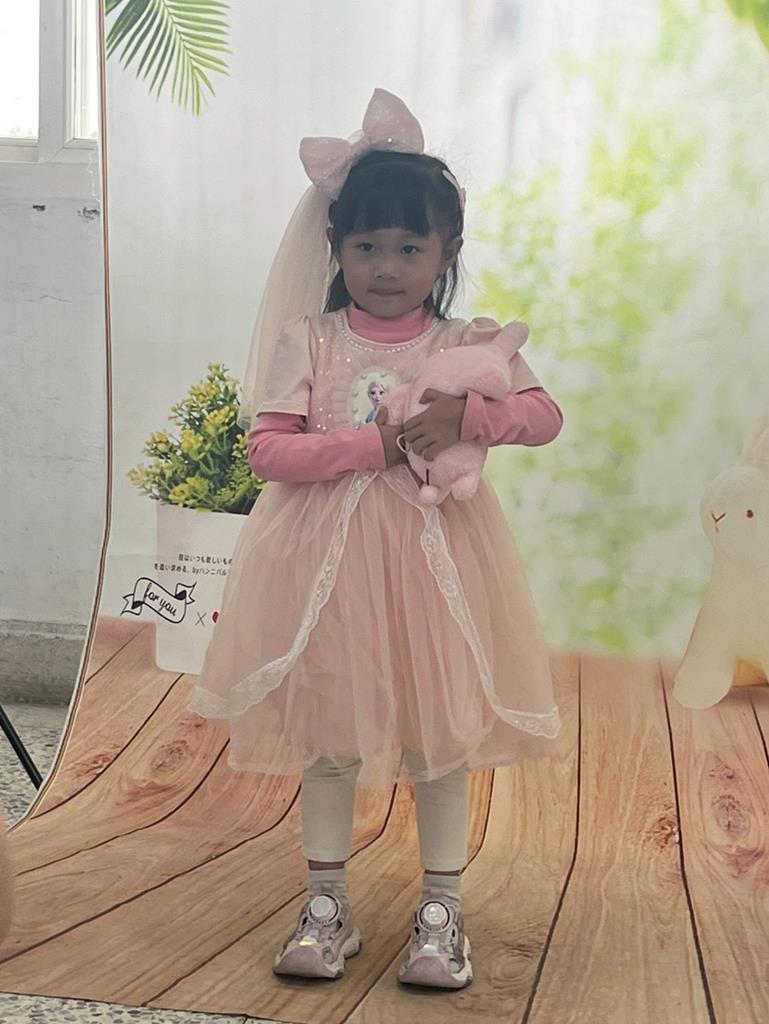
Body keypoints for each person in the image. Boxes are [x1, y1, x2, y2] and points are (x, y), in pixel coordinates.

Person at [187, 88, 565, 991]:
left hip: (438, 567)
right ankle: (327, 904)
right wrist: (375, 446)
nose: (386, 266)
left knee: (439, 732)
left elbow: (544, 416)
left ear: (446, 251)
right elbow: (268, 450)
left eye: (407, 247)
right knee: (330, 734)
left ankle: (441, 912)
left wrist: (468, 415)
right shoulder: (311, 339)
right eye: (365, 247)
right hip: (325, 568)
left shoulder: (467, 340)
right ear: (335, 246)